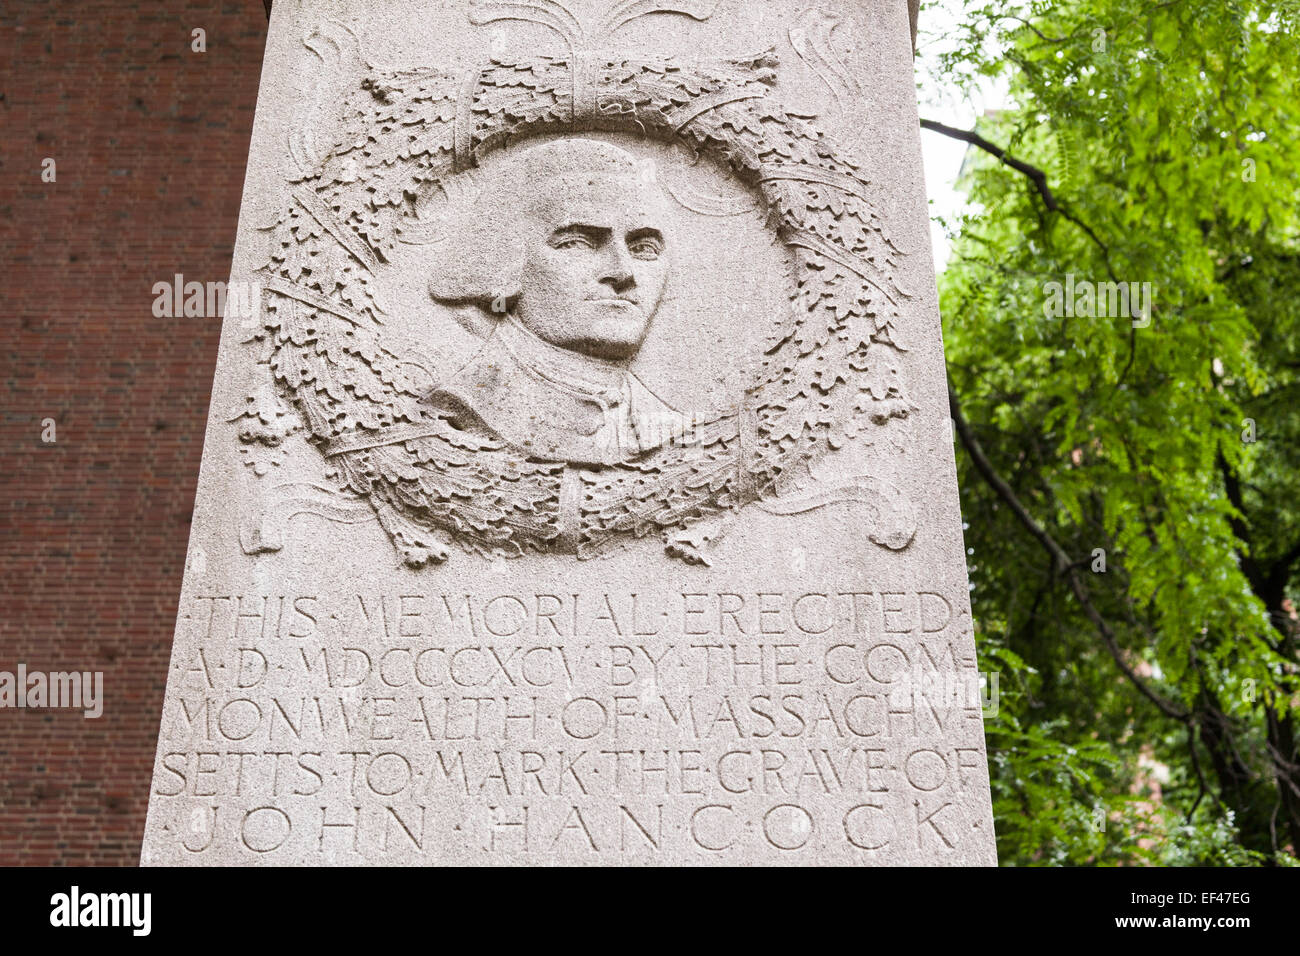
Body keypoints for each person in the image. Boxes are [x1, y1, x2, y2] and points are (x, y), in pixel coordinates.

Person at [426, 138, 693, 466]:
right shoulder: (468, 402)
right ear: (506, 261)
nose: (624, 273)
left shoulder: (671, 427)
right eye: (578, 243)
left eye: (643, 249)